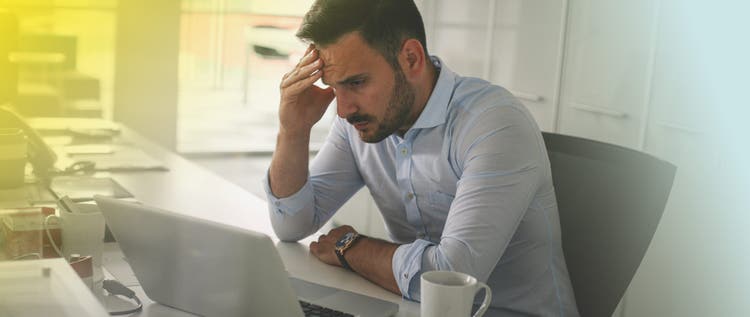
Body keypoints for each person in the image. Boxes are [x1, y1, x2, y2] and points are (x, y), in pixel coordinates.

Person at [263, 0, 579, 315]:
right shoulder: (360, 123)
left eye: (357, 83)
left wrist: (351, 247)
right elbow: (291, 224)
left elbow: (451, 276)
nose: (343, 110)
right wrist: (292, 131)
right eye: (334, 86)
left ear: (411, 59)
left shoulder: (494, 123)